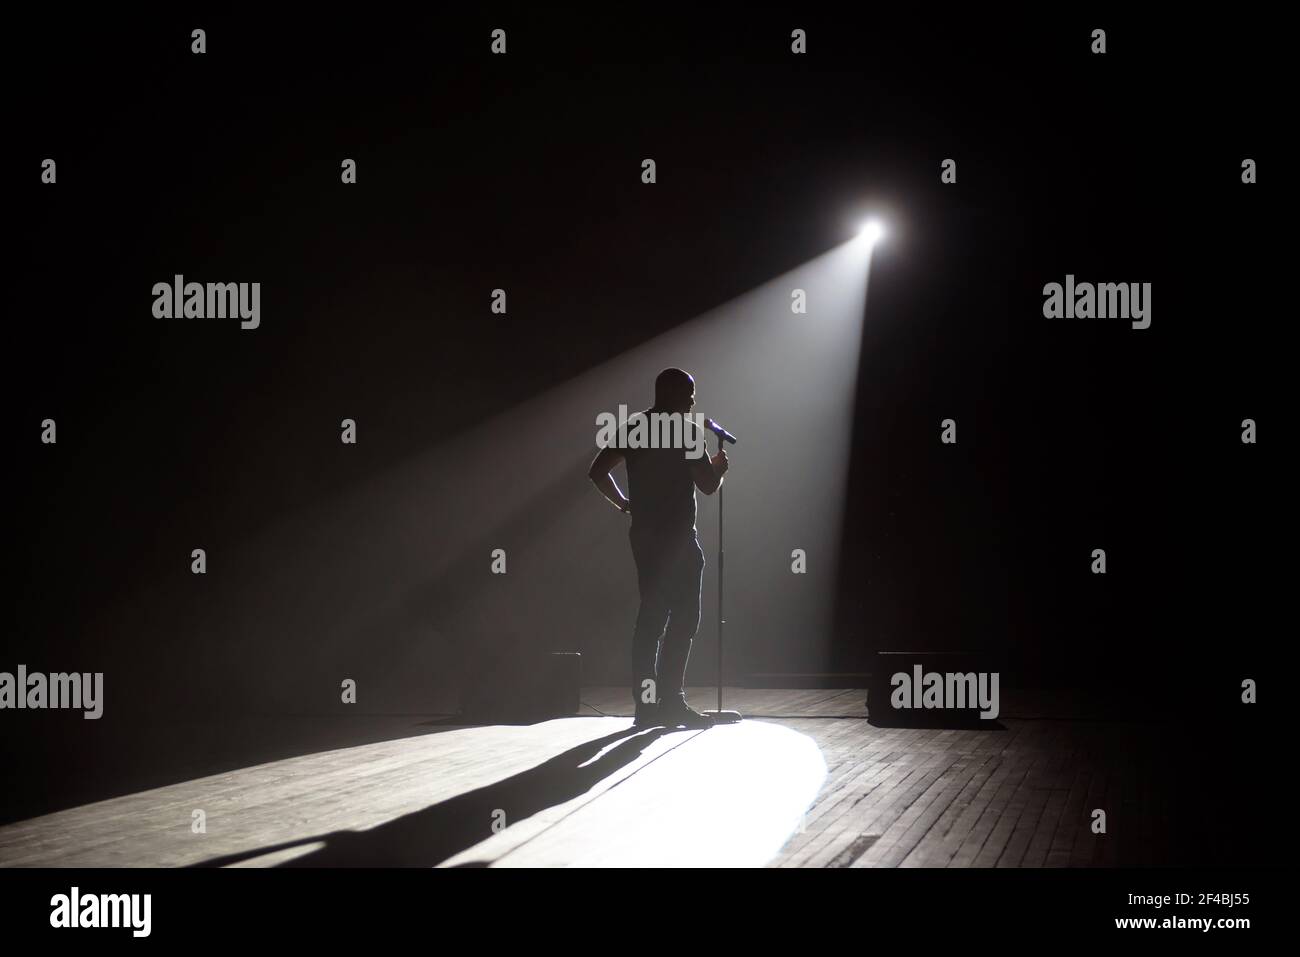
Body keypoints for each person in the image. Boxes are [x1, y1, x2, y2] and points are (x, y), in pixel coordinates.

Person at [588, 368, 729, 729]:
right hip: (679, 539)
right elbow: (709, 486)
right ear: (674, 393)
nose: (694, 400)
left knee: (650, 620)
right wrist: (719, 467)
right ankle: (672, 702)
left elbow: (598, 471)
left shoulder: (634, 427)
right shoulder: (686, 432)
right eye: (690, 393)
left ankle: (647, 706)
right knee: (683, 620)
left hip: (645, 537)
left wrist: (624, 503)